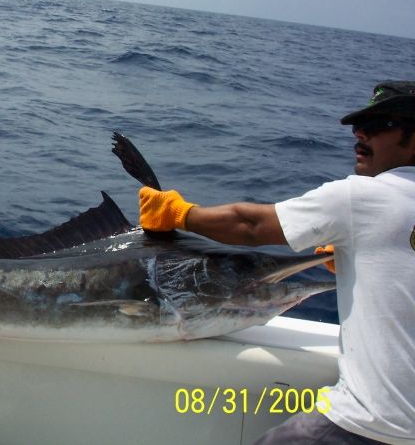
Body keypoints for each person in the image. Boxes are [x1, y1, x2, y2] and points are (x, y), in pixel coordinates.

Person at [138, 81, 415, 444]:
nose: (360, 134)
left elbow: (250, 226)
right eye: (358, 126)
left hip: (368, 424)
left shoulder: (360, 197)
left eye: (379, 125)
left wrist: (180, 213)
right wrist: (359, 259)